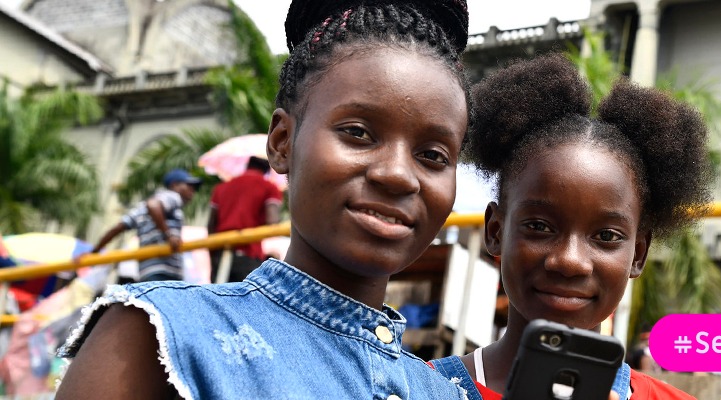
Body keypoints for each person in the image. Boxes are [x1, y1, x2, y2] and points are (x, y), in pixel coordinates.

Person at [55, 0, 471, 398]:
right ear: (282, 142)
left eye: (433, 156)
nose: (397, 174)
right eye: (358, 133)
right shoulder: (161, 334)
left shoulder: (446, 393)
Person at [429, 55, 708, 400]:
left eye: (606, 236)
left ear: (638, 254)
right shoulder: (415, 390)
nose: (570, 261)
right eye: (539, 226)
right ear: (496, 231)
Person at [82, 168, 200, 282]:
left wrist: (95, 251)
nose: (192, 191)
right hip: (166, 271)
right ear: (174, 185)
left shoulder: (140, 208)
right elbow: (153, 205)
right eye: (189, 186)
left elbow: (117, 228)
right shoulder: (172, 196)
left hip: (147, 271)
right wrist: (169, 235)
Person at [207, 156, 283, 283]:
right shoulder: (269, 187)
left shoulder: (221, 188)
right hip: (248, 254)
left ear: (247, 166)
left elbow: (210, 225)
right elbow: (273, 221)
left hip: (220, 253)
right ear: (266, 171)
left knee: (217, 298)